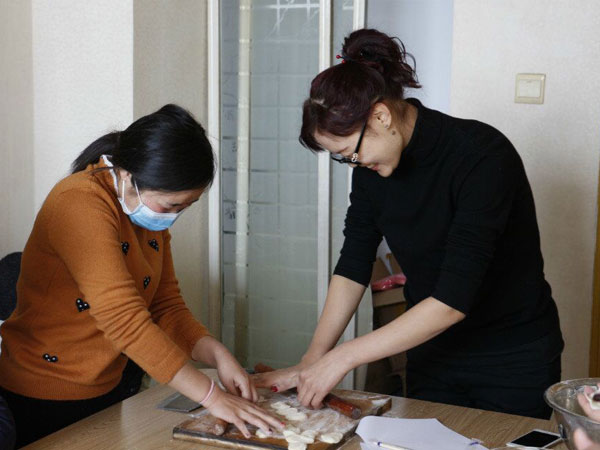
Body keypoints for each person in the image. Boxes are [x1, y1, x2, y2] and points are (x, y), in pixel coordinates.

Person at [253, 29, 564, 419]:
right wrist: (313, 358)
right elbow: (353, 265)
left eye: (350, 152)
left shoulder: (481, 156)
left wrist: (342, 357)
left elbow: (451, 302)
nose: (354, 164)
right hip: (432, 355)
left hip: (511, 358)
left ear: (381, 116)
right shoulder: (371, 172)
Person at [0, 104, 282, 447]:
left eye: (185, 207)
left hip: (107, 386)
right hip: (44, 394)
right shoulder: (79, 202)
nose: (173, 217)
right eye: (171, 206)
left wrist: (218, 355)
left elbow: (165, 306)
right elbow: (123, 319)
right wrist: (212, 395)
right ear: (127, 176)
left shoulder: (145, 215)